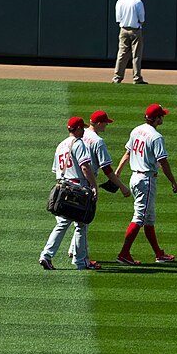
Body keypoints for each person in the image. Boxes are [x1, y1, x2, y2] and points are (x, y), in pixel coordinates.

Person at [114, 104, 177, 265]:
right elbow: (162, 161)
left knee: (149, 218)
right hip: (146, 180)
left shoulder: (136, 130)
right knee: (140, 217)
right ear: (156, 118)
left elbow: (128, 153)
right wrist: (173, 181)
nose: (163, 118)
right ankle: (123, 254)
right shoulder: (156, 137)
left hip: (135, 178)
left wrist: (118, 172)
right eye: (161, 116)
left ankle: (159, 253)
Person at [65, 111, 133, 261]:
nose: (107, 125)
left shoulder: (81, 136)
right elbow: (107, 169)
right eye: (105, 122)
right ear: (98, 123)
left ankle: (73, 250)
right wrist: (121, 186)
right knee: (84, 221)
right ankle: (79, 255)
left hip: (70, 180)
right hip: (87, 181)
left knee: (78, 220)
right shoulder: (97, 141)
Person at [39, 117, 99, 270]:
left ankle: (46, 255)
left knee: (61, 224)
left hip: (62, 188)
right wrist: (93, 186)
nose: (84, 131)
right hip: (77, 189)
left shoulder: (61, 145)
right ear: (78, 128)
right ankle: (80, 261)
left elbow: (56, 170)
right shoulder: (79, 144)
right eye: (82, 128)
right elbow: (85, 167)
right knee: (81, 225)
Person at [113, 0, 146, 85]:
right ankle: (137, 78)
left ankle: (117, 77)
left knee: (122, 54)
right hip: (135, 30)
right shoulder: (137, 2)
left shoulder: (119, 2)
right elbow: (142, 19)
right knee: (136, 55)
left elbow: (118, 18)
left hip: (123, 30)